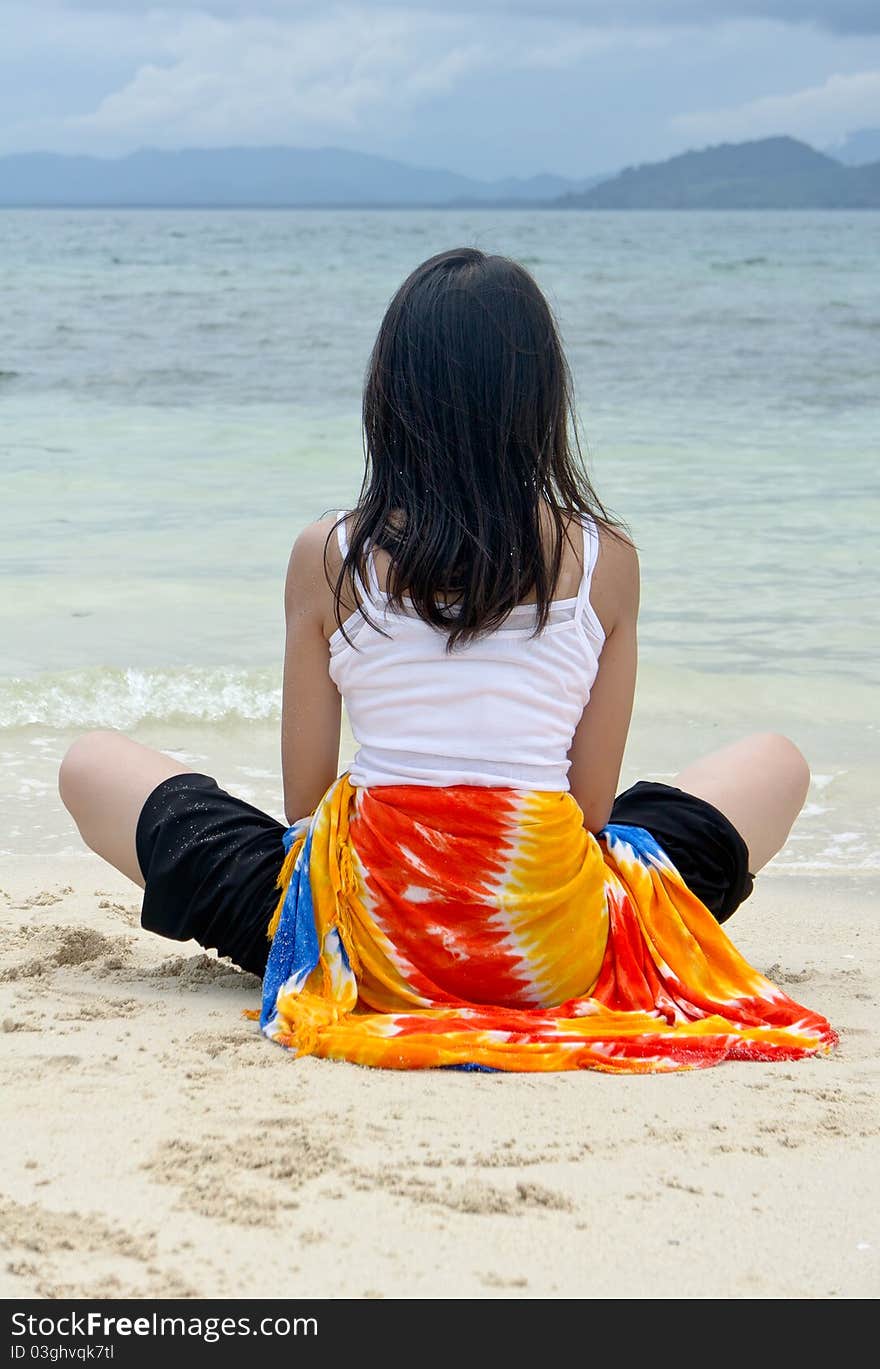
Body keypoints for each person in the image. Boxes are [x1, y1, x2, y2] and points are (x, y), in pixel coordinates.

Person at [58, 247, 835, 1072]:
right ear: (540, 400)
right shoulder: (607, 559)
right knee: (770, 765)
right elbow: (593, 811)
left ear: (390, 395)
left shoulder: (328, 552)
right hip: (552, 950)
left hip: (373, 947)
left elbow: (306, 806)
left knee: (90, 764)